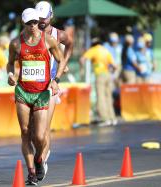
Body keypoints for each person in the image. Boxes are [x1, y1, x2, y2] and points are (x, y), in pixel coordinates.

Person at [7, 8, 66, 185]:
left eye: (35, 22)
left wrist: (55, 80)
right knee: (25, 132)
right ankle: (31, 172)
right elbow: (10, 63)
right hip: (23, 92)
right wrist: (10, 75)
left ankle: (40, 159)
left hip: (41, 93)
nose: (33, 26)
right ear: (23, 23)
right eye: (29, 23)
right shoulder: (16, 43)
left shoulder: (48, 40)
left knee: (40, 136)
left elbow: (61, 60)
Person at [35, 0, 73, 171]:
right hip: (32, 86)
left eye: (44, 18)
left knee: (44, 127)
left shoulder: (59, 35)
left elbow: (70, 45)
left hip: (51, 85)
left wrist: (63, 64)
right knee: (32, 130)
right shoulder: (30, 33)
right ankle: (39, 155)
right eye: (39, 18)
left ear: (51, 16)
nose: (41, 21)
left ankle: (40, 162)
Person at [80, 37, 116, 125]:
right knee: (108, 97)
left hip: (100, 75)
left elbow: (82, 59)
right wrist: (112, 73)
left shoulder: (94, 49)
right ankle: (112, 118)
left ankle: (105, 119)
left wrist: (82, 70)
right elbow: (114, 66)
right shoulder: (105, 50)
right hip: (108, 74)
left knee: (101, 97)